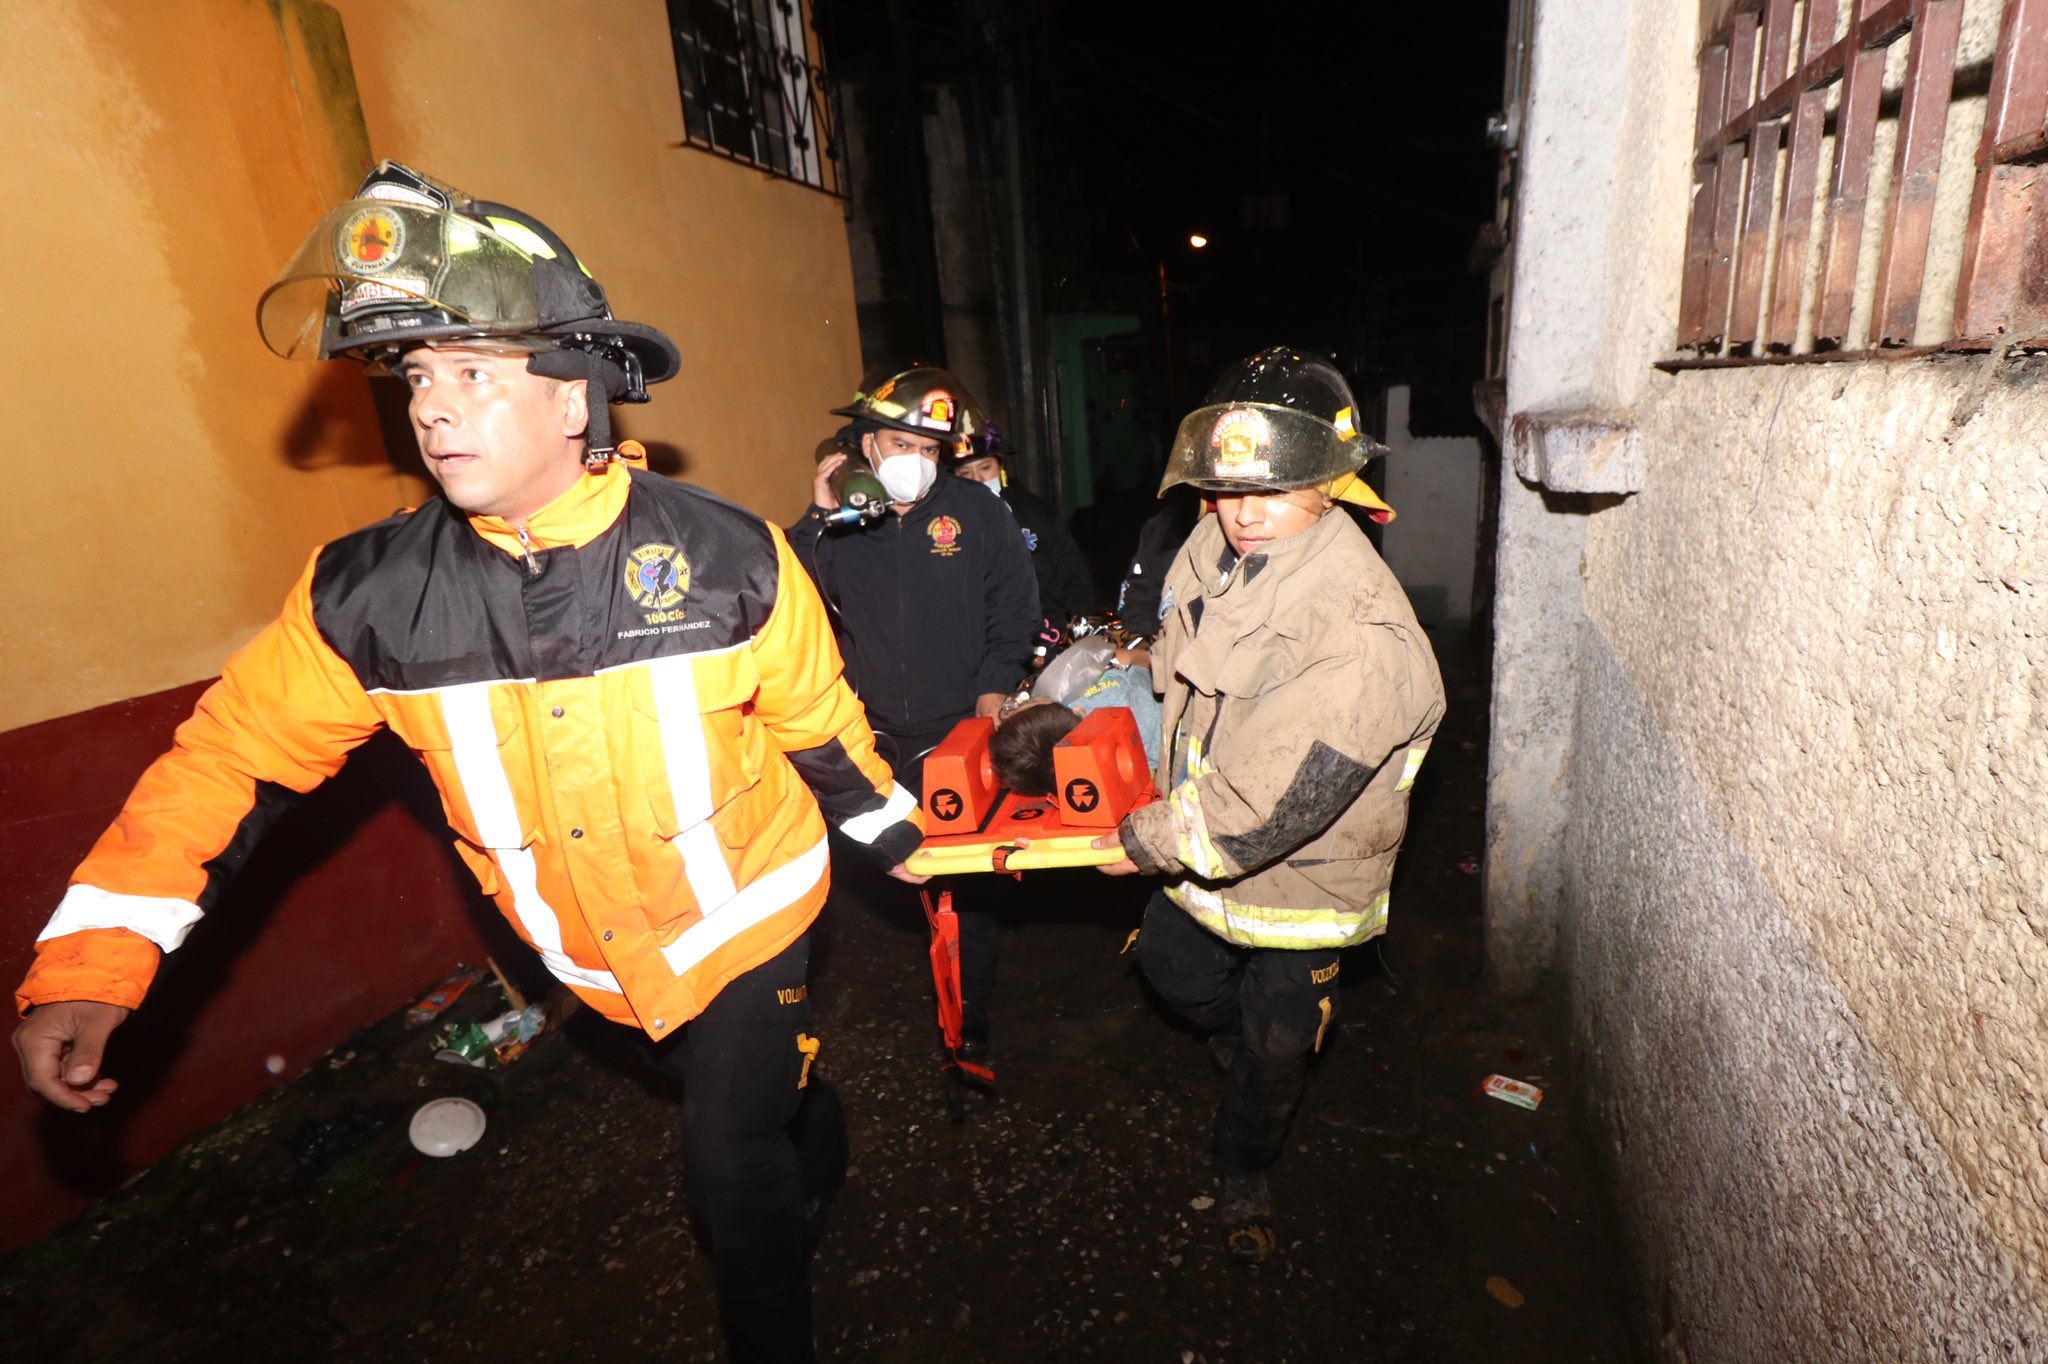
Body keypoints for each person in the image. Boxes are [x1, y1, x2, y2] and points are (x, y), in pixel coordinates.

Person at [11, 161, 923, 1364]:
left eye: (475, 375)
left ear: (575, 398)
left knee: (727, 1166)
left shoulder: (729, 558)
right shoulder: (368, 598)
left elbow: (818, 723)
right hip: (594, 960)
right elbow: (231, 760)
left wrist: (902, 840)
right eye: (420, 378)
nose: (432, 409)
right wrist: (95, 955)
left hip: (750, 919)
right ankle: (805, 1130)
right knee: (759, 1109)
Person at [1091, 347, 1445, 1264]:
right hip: (1203, 861)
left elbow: (1267, 809)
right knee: (1176, 979)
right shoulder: (1214, 545)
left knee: (1280, 1043)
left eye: (1273, 491)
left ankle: (1245, 1163)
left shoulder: (1360, 638)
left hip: (1298, 888)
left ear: (1331, 487)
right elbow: (1181, 663)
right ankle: (1234, 1044)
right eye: (1225, 489)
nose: (1242, 511)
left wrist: (1144, 839)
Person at [791, 368, 1039, 1059]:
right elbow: (789, 607)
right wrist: (820, 515)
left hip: (955, 727)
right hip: (869, 735)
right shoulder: (839, 523)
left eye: (932, 451)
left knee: (961, 884)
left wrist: (995, 687)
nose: (918, 463)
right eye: (903, 444)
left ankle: (971, 1018)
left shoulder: (978, 512)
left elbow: (1015, 607)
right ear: (864, 444)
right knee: (886, 867)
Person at [952, 422, 1098, 626]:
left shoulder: (1032, 511)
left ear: (1001, 466)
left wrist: (1081, 619)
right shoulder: (949, 525)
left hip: (1045, 627)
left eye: (985, 468)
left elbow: (1070, 565)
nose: (978, 479)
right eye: (966, 473)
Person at [987, 635, 1163, 796]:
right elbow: (1144, 660)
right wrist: (1117, 657)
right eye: (1029, 703)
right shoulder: (1114, 697)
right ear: (1078, 710)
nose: (1020, 702)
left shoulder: (1077, 765)